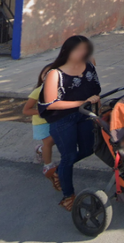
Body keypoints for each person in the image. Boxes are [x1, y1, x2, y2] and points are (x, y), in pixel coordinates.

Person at [39, 35, 102, 211]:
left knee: (89, 149)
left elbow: (95, 91)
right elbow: (51, 104)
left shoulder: (89, 66)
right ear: (67, 51)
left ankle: (59, 170)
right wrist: (82, 102)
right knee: (69, 156)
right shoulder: (55, 74)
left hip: (84, 115)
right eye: (79, 50)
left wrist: (97, 110)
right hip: (62, 119)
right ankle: (68, 196)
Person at [21, 64, 59, 190]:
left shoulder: (61, 90)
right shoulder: (38, 91)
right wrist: (42, 111)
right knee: (49, 142)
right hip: (41, 123)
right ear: (42, 77)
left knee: (55, 140)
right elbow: (26, 110)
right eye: (46, 74)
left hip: (54, 120)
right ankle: (48, 166)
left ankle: (40, 150)